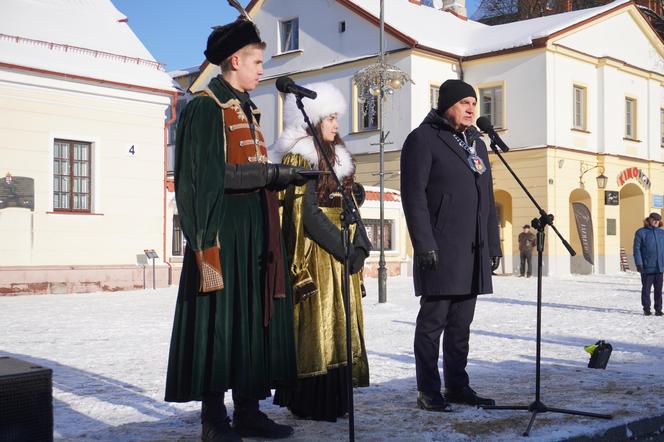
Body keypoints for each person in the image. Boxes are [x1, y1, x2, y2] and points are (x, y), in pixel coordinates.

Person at [165, 17, 311, 441]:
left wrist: (277, 177)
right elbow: (204, 177)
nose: (263, 70)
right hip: (221, 235)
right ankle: (214, 419)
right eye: (258, 61)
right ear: (235, 60)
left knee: (252, 321)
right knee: (219, 324)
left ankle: (249, 409)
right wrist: (271, 175)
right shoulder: (206, 106)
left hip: (254, 234)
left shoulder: (246, 106)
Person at [269, 82, 372, 422]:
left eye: (336, 118)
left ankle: (335, 398)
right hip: (317, 252)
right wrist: (343, 248)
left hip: (339, 251)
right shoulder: (301, 155)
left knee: (338, 324)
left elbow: (343, 201)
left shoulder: (336, 155)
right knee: (318, 324)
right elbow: (307, 214)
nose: (336, 125)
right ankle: (313, 400)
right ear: (312, 119)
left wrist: (358, 241)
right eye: (330, 118)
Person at [401, 79, 502, 412]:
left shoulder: (477, 145)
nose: (472, 108)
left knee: (461, 326)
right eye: (464, 103)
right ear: (447, 105)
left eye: (474, 103)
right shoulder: (422, 139)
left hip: (473, 250)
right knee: (433, 324)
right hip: (440, 249)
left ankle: (457, 385)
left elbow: (486, 198)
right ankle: (428, 389)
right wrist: (424, 242)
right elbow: (413, 195)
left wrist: (493, 243)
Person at [633, 212, 664, 316]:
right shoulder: (641, 232)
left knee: (658, 290)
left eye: (657, 220)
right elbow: (636, 249)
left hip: (660, 267)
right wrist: (639, 263)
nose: (656, 221)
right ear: (649, 220)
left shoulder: (662, 233)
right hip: (646, 267)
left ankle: (658, 309)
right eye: (654, 219)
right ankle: (646, 308)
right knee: (646, 289)